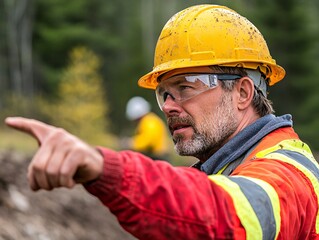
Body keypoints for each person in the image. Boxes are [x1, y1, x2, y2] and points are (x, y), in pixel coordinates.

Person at [5, 4, 319, 239]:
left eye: (184, 87)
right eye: (164, 93)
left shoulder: (290, 174)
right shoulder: (230, 166)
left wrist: (106, 168)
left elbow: (225, 215)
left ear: (241, 92)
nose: (168, 106)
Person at [123, 96, 170, 160]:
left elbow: (148, 140)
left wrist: (131, 143)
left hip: (157, 157)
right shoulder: (149, 120)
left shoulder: (149, 122)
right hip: (156, 157)